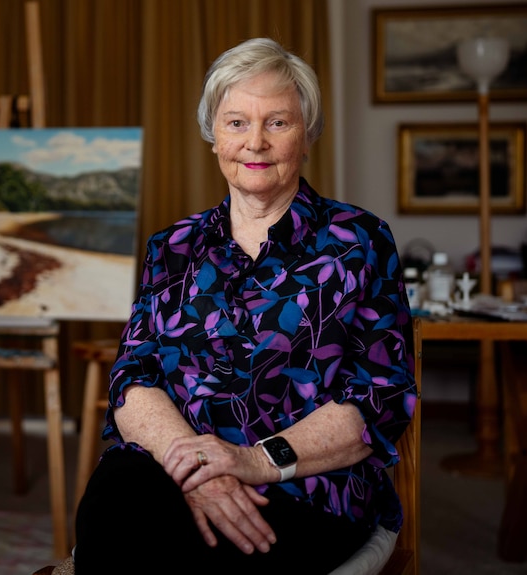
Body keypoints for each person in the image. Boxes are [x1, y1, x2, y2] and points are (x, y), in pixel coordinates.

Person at [73, 37, 416, 574]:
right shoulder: (173, 247)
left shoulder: (359, 241)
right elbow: (133, 378)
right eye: (236, 123)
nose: (255, 142)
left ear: (306, 136)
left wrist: (253, 461)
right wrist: (196, 467)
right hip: (171, 474)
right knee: (116, 495)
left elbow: (379, 398)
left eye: (277, 122)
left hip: (302, 489)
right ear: (214, 137)